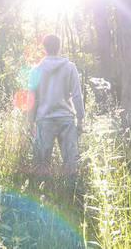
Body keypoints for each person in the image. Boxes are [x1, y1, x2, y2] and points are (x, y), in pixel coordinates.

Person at [27, 34, 85, 188]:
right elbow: (77, 95)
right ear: (59, 47)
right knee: (71, 162)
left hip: (44, 119)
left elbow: (31, 99)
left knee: (41, 162)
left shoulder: (36, 70)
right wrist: (80, 119)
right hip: (66, 119)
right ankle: (72, 196)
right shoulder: (70, 67)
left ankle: (42, 195)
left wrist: (30, 122)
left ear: (44, 48)